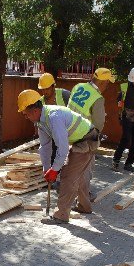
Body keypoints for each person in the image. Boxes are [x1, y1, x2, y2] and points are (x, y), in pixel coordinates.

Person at [17, 89, 99, 224]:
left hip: (87, 140)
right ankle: (84, 207)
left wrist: (55, 170)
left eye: (26, 114)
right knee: (80, 176)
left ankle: (61, 214)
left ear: (35, 111)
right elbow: (45, 147)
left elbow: (63, 148)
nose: (26, 117)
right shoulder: (41, 122)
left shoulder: (54, 117)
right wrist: (47, 168)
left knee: (67, 176)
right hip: (81, 139)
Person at [68, 67, 114, 200]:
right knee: (86, 168)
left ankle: (69, 192)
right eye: (107, 83)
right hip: (85, 136)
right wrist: (96, 139)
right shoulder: (97, 98)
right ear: (102, 82)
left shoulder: (78, 87)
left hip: (70, 132)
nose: (107, 86)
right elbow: (98, 124)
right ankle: (83, 197)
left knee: (72, 166)